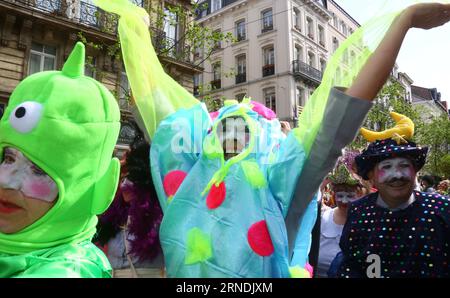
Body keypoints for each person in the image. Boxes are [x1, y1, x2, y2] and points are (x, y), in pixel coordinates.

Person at [96, 0, 450, 277]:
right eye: (225, 129)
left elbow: (347, 111)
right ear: (202, 142)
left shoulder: (282, 187)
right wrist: (135, 32)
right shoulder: (185, 182)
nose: (233, 138)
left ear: (266, 144)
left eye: (245, 130)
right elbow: (151, 95)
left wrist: (403, 22)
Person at [0, 42, 121, 277]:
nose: (6, 181)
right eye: (8, 158)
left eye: (38, 170)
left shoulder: (70, 270)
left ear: (93, 189)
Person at [336, 111, 450, 278]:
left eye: (404, 165)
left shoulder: (442, 208)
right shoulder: (358, 211)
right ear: (372, 176)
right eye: (386, 167)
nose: (397, 174)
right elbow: (352, 267)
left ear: (415, 172)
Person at [95, 135, 165, 278]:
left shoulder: (160, 216)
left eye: (132, 177)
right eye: (123, 177)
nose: (125, 183)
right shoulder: (113, 215)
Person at [317, 160, 364, 278]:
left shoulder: (366, 221)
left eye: (349, 196)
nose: (344, 201)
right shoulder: (324, 216)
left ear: (359, 195)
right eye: (340, 195)